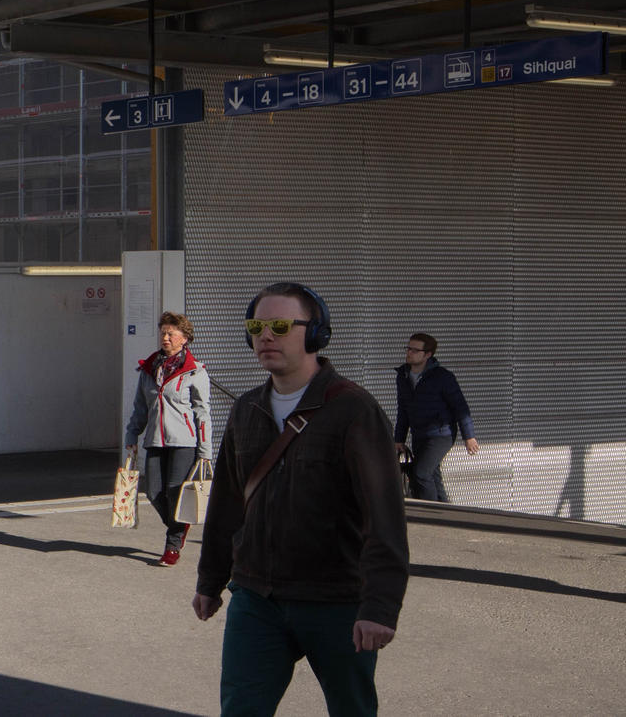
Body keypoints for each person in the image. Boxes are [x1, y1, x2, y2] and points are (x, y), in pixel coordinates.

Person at [191, 282, 409, 717]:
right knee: (241, 710)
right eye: (256, 326)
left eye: (280, 325)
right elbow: (228, 504)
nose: (265, 336)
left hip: (336, 601)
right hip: (257, 599)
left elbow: (384, 516)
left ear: (315, 334)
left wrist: (380, 606)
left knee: (352, 710)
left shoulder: (353, 410)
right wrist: (210, 580)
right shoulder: (246, 409)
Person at [124, 311, 213, 566]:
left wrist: (205, 450)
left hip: (184, 441)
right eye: (163, 332)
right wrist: (132, 434)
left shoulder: (195, 371)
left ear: (184, 338)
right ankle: (179, 527)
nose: (165, 337)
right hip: (155, 439)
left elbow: (202, 412)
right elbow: (140, 407)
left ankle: (172, 545)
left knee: (175, 493)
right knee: (153, 492)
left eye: (171, 333)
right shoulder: (149, 369)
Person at [392, 333, 478, 503]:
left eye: (415, 350)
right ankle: (446, 512)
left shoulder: (442, 377)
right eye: (408, 348)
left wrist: (469, 436)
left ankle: (430, 515)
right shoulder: (403, 376)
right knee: (432, 475)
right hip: (419, 433)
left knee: (421, 473)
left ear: (427, 354)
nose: (409, 353)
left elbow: (460, 407)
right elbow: (403, 410)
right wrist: (399, 439)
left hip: (441, 434)